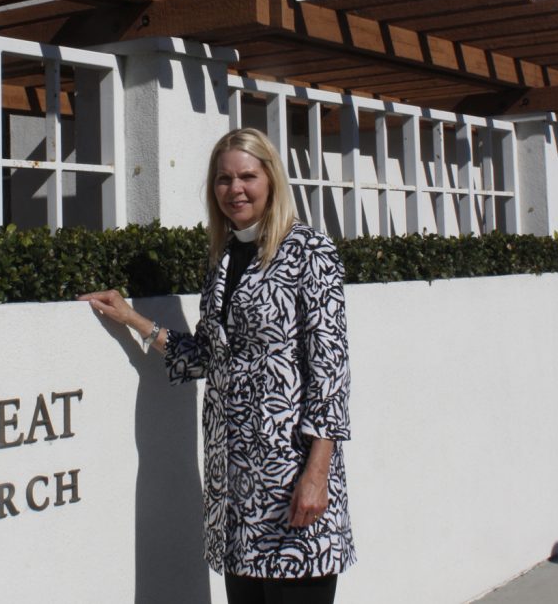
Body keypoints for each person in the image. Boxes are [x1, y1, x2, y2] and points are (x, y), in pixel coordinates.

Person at [81, 128, 354, 604]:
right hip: (232, 485)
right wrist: (132, 319)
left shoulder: (310, 251)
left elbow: (330, 370)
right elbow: (209, 355)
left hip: (290, 476)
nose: (236, 189)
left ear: (270, 180)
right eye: (224, 179)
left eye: (247, 176)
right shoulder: (223, 260)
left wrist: (317, 474)